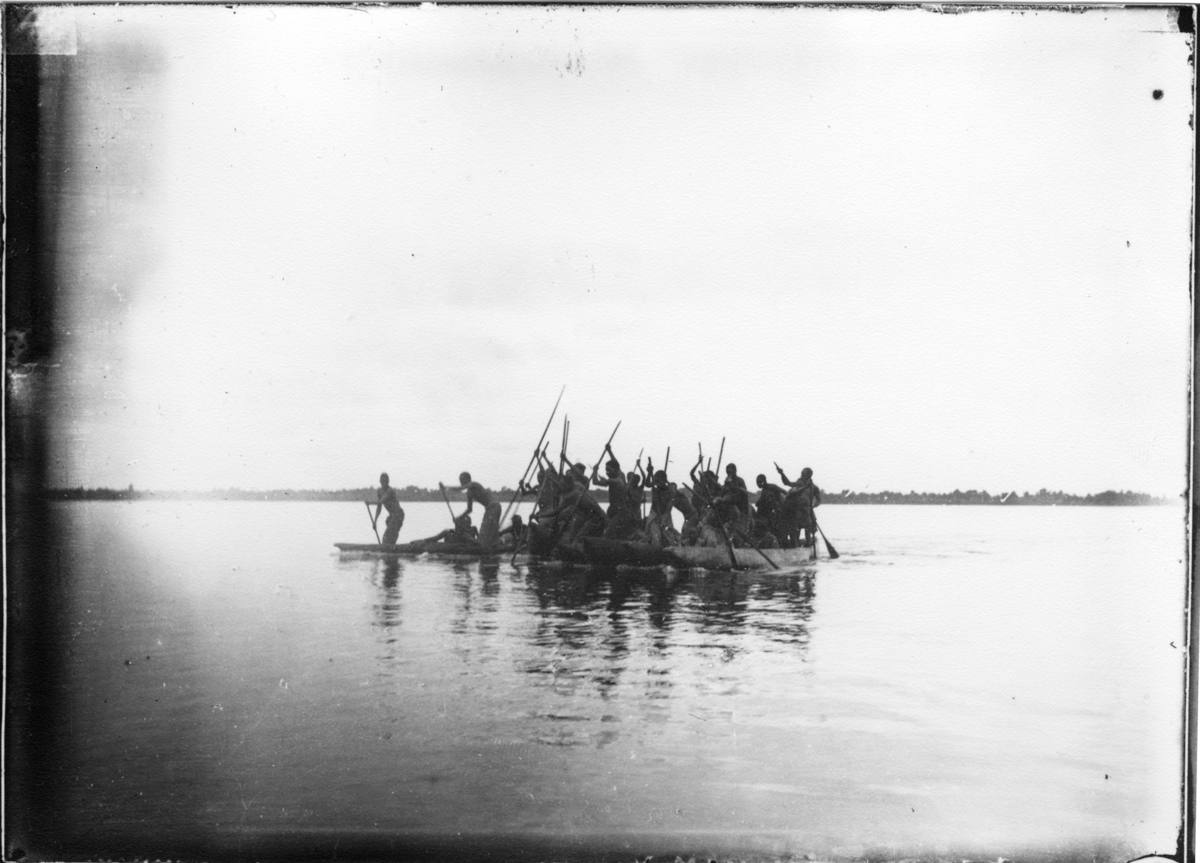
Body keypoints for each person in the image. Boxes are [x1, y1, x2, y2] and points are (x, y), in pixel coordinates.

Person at [777, 465, 822, 547]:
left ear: (808, 476)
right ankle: (796, 547)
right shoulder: (798, 485)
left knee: (808, 532)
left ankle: (808, 545)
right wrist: (782, 474)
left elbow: (819, 500)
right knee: (795, 532)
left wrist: (813, 505)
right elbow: (787, 483)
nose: (801, 476)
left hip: (807, 512)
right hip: (796, 512)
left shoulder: (814, 487)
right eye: (801, 474)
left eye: (803, 475)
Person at [460, 472, 502, 551]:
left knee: (485, 533)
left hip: (493, 506)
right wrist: (460, 517)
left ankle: (492, 547)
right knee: (490, 532)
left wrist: (446, 488)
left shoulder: (474, 484)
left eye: (462, 480)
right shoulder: (469, 493)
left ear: (468, 480)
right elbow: (469, 509)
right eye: (460, 481)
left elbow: (461, 488)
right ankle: (494, 545)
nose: (461, 483)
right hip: (490, 508)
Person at [372, 473, 405, 546]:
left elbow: (381, 501)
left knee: (386, 537)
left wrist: (370, 503)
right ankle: (391, 549)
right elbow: (379, 507)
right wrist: (375, 521)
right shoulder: (379, 491)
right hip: (392, 516)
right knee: (390, 537)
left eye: (385, 481)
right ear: (380, 481)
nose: (384, 483)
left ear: (388, 482)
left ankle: (390, 548)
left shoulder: (390, 491)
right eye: (382, 481)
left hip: (399, 514)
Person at [754, 473, 787, 541]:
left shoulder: (772, 487)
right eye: (757, 482)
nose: (758, 484)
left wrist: (780, 504)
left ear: (764, 481)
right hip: (768, 512)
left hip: (775, 511)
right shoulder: (763, 490)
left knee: (774, 528)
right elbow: (761, 500)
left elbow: (784, 492)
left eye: (760, 482)